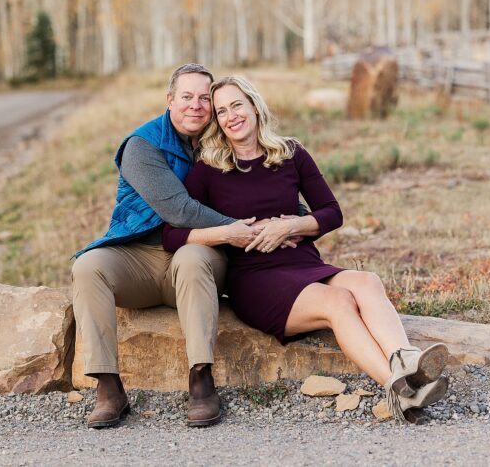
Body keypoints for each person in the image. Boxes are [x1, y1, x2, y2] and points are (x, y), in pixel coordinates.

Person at [162, 75, 450, 423]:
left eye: (237, 105)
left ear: (254, 105)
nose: (231, 116)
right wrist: (230, 233)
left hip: (303, 262)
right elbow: (171, 236)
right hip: (255, 279)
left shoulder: (290, 153)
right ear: (217, 122)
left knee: (368, 281)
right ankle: (397, 389)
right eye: (221, 111)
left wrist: (293, 225)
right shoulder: (209, 169)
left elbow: (332, 212)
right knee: (338, 302)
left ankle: (406, 361)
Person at [71, 64, 304, 429]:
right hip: (143, 256)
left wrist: (292, 222)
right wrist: (244, 229)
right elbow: (178, 210)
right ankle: (108, 386)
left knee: (193, 257)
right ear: (169, 101)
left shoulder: (222, 141)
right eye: (186, 97)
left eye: (204, 99)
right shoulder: (142, 146)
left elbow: (269, 185)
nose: (195, 106)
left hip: (202, 254)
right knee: (88, 266)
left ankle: (200, 380)